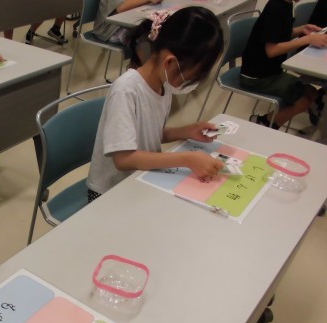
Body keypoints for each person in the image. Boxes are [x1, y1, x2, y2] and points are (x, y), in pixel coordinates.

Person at [86, 7, 225, 202]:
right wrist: (187, 159)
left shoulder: (162, 84)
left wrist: (187, 131)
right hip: (109, 192)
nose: (188, 83)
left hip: (141, 177)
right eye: (188, 77)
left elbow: (149, 134)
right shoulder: (126, 90)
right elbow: (124, 159)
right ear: (170, 62)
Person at [240, 0, 327, 129]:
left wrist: (302, 29)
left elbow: (279, 34)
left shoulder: (287, 5)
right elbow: (272, 50)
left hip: (272, 71)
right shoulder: (275, 7)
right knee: (304, 101)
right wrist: (307, 39)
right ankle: (263, 123)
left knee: (312, 93)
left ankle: (268, 120)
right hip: (256, 77)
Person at [92, 0, 161, 56]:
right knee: (152, 38)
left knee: (160, 29)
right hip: (109, 29)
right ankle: (144, 65)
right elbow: (121, 8)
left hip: (130, 19)